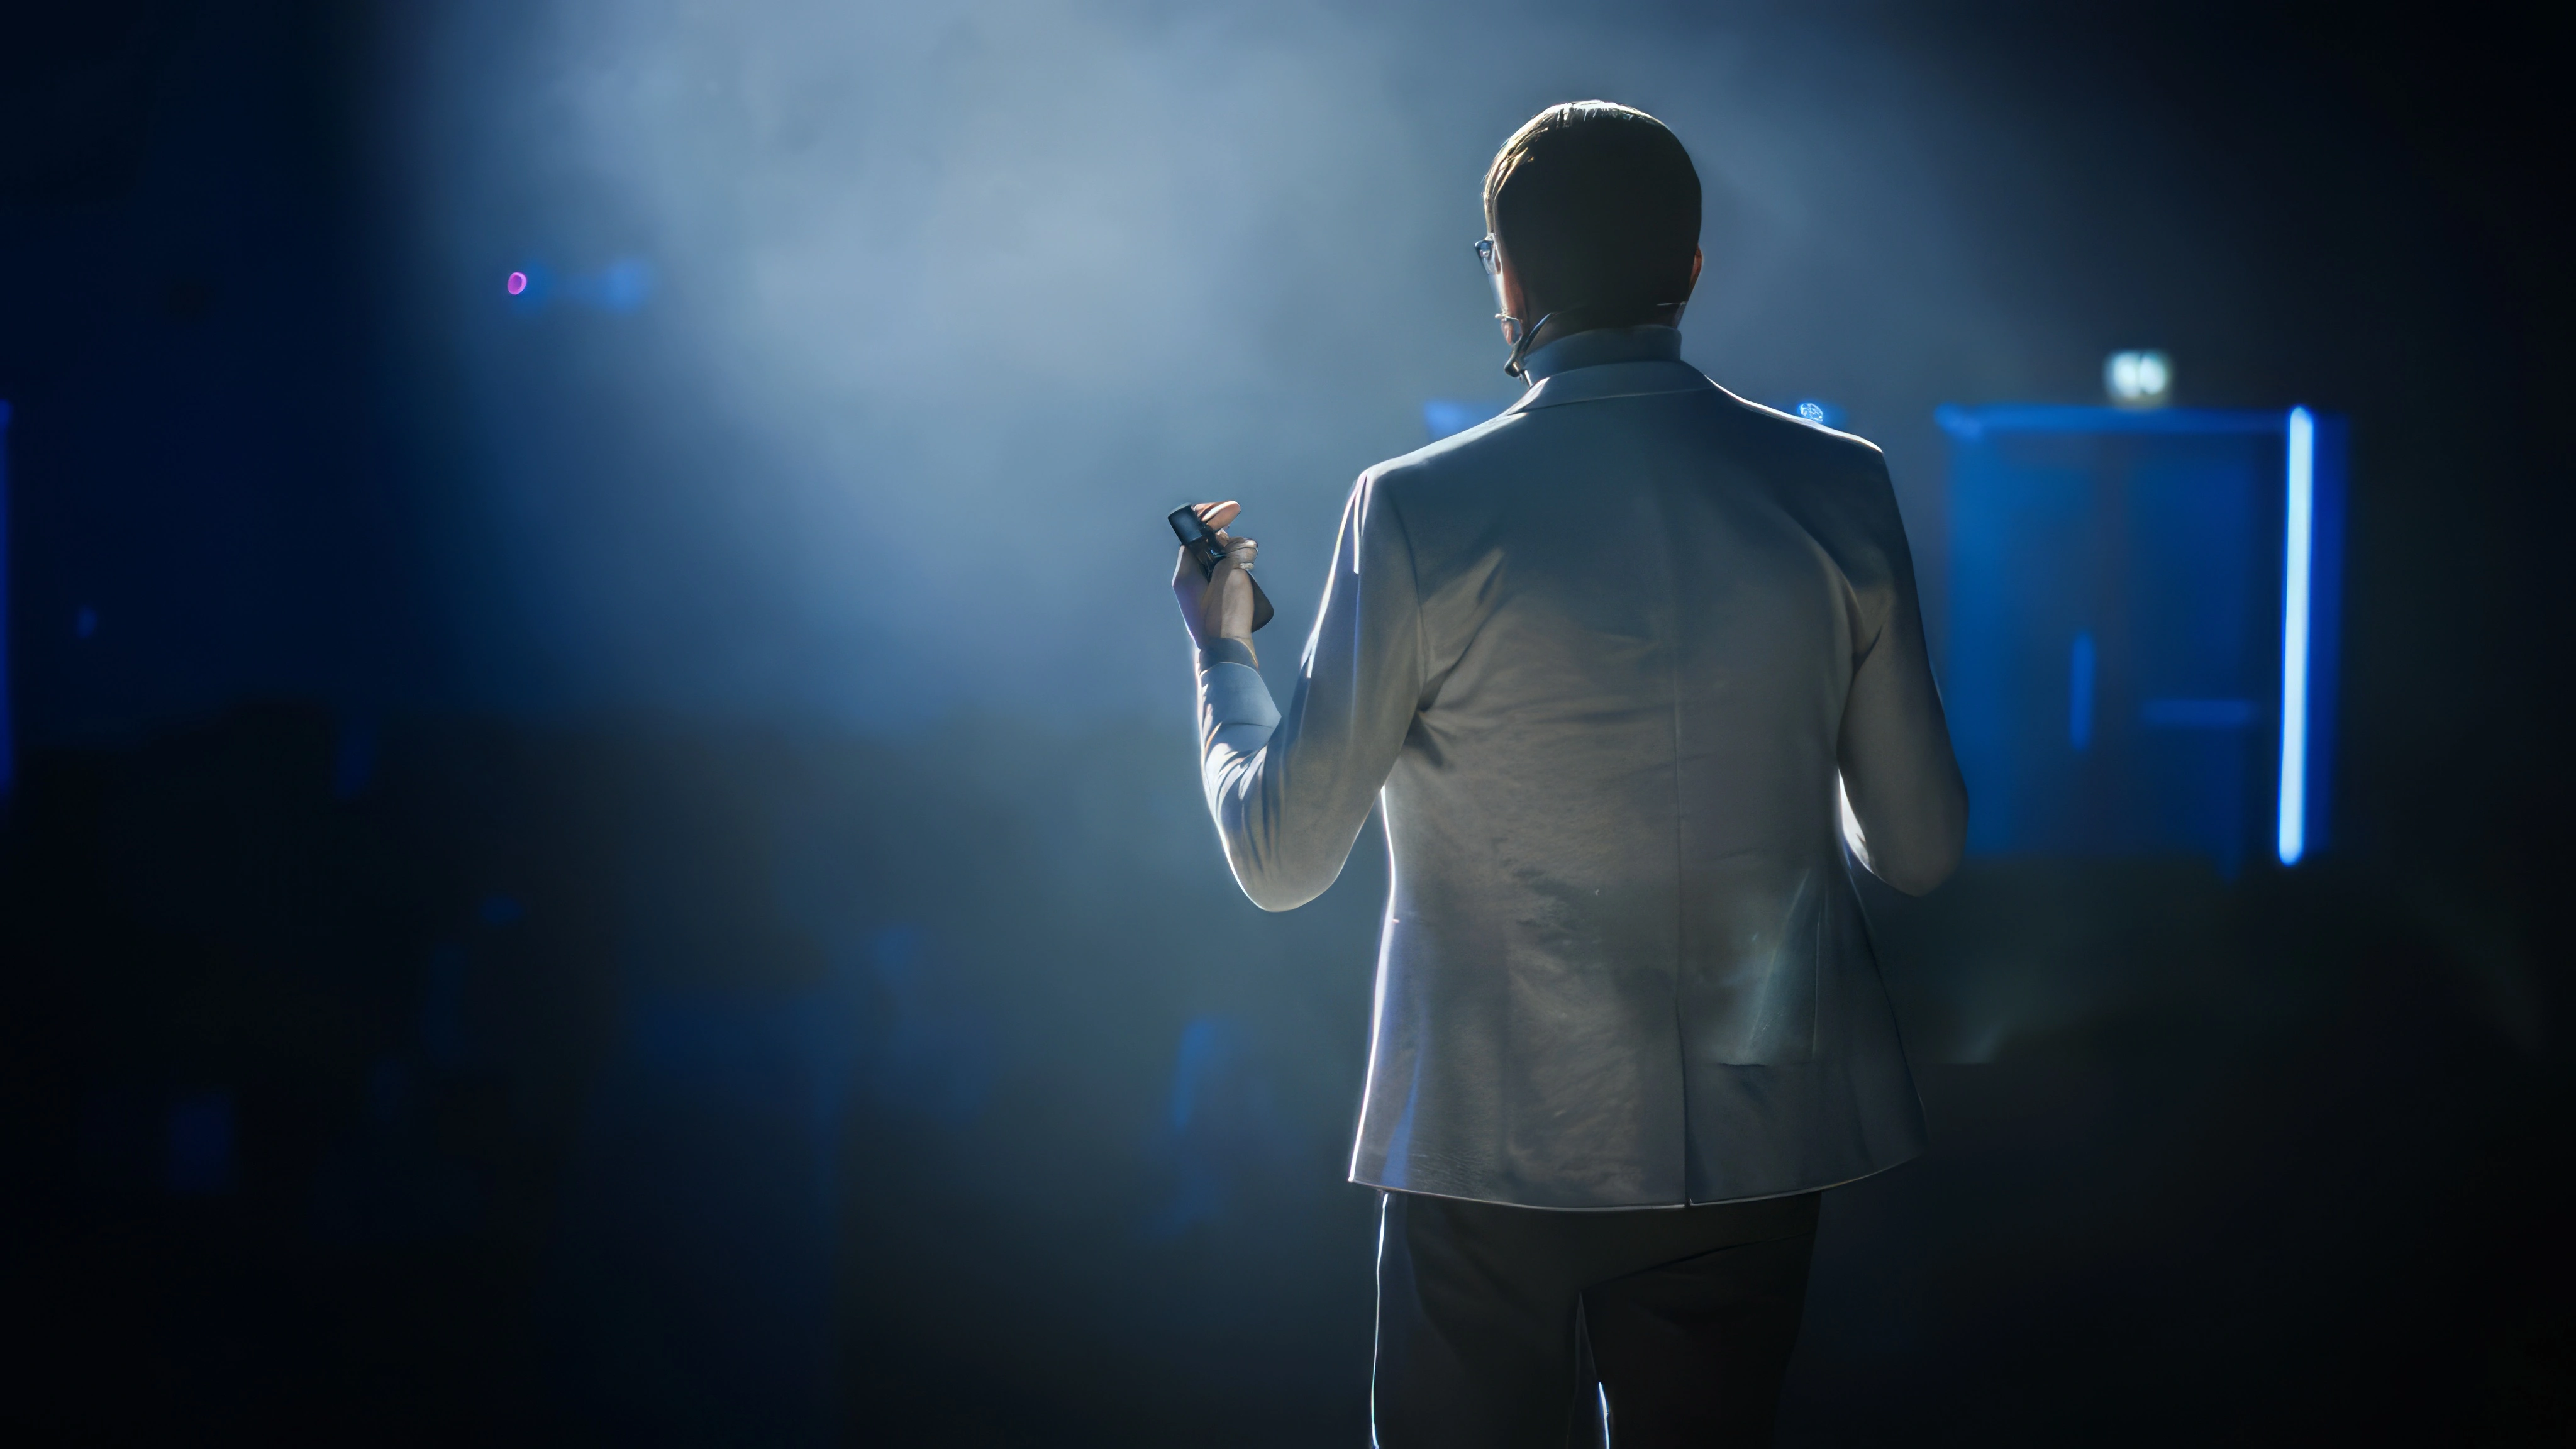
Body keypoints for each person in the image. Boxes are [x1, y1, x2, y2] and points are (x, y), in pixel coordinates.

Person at [1170, 101, 1965, 1448]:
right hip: (1751, 1136)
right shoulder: (1838, 488)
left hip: (1486, 1147)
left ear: (1509, 278)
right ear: (1692, 268)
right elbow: (1920, 849)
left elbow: (1281, 860)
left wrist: (1222, 655)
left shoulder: (1414, 507)